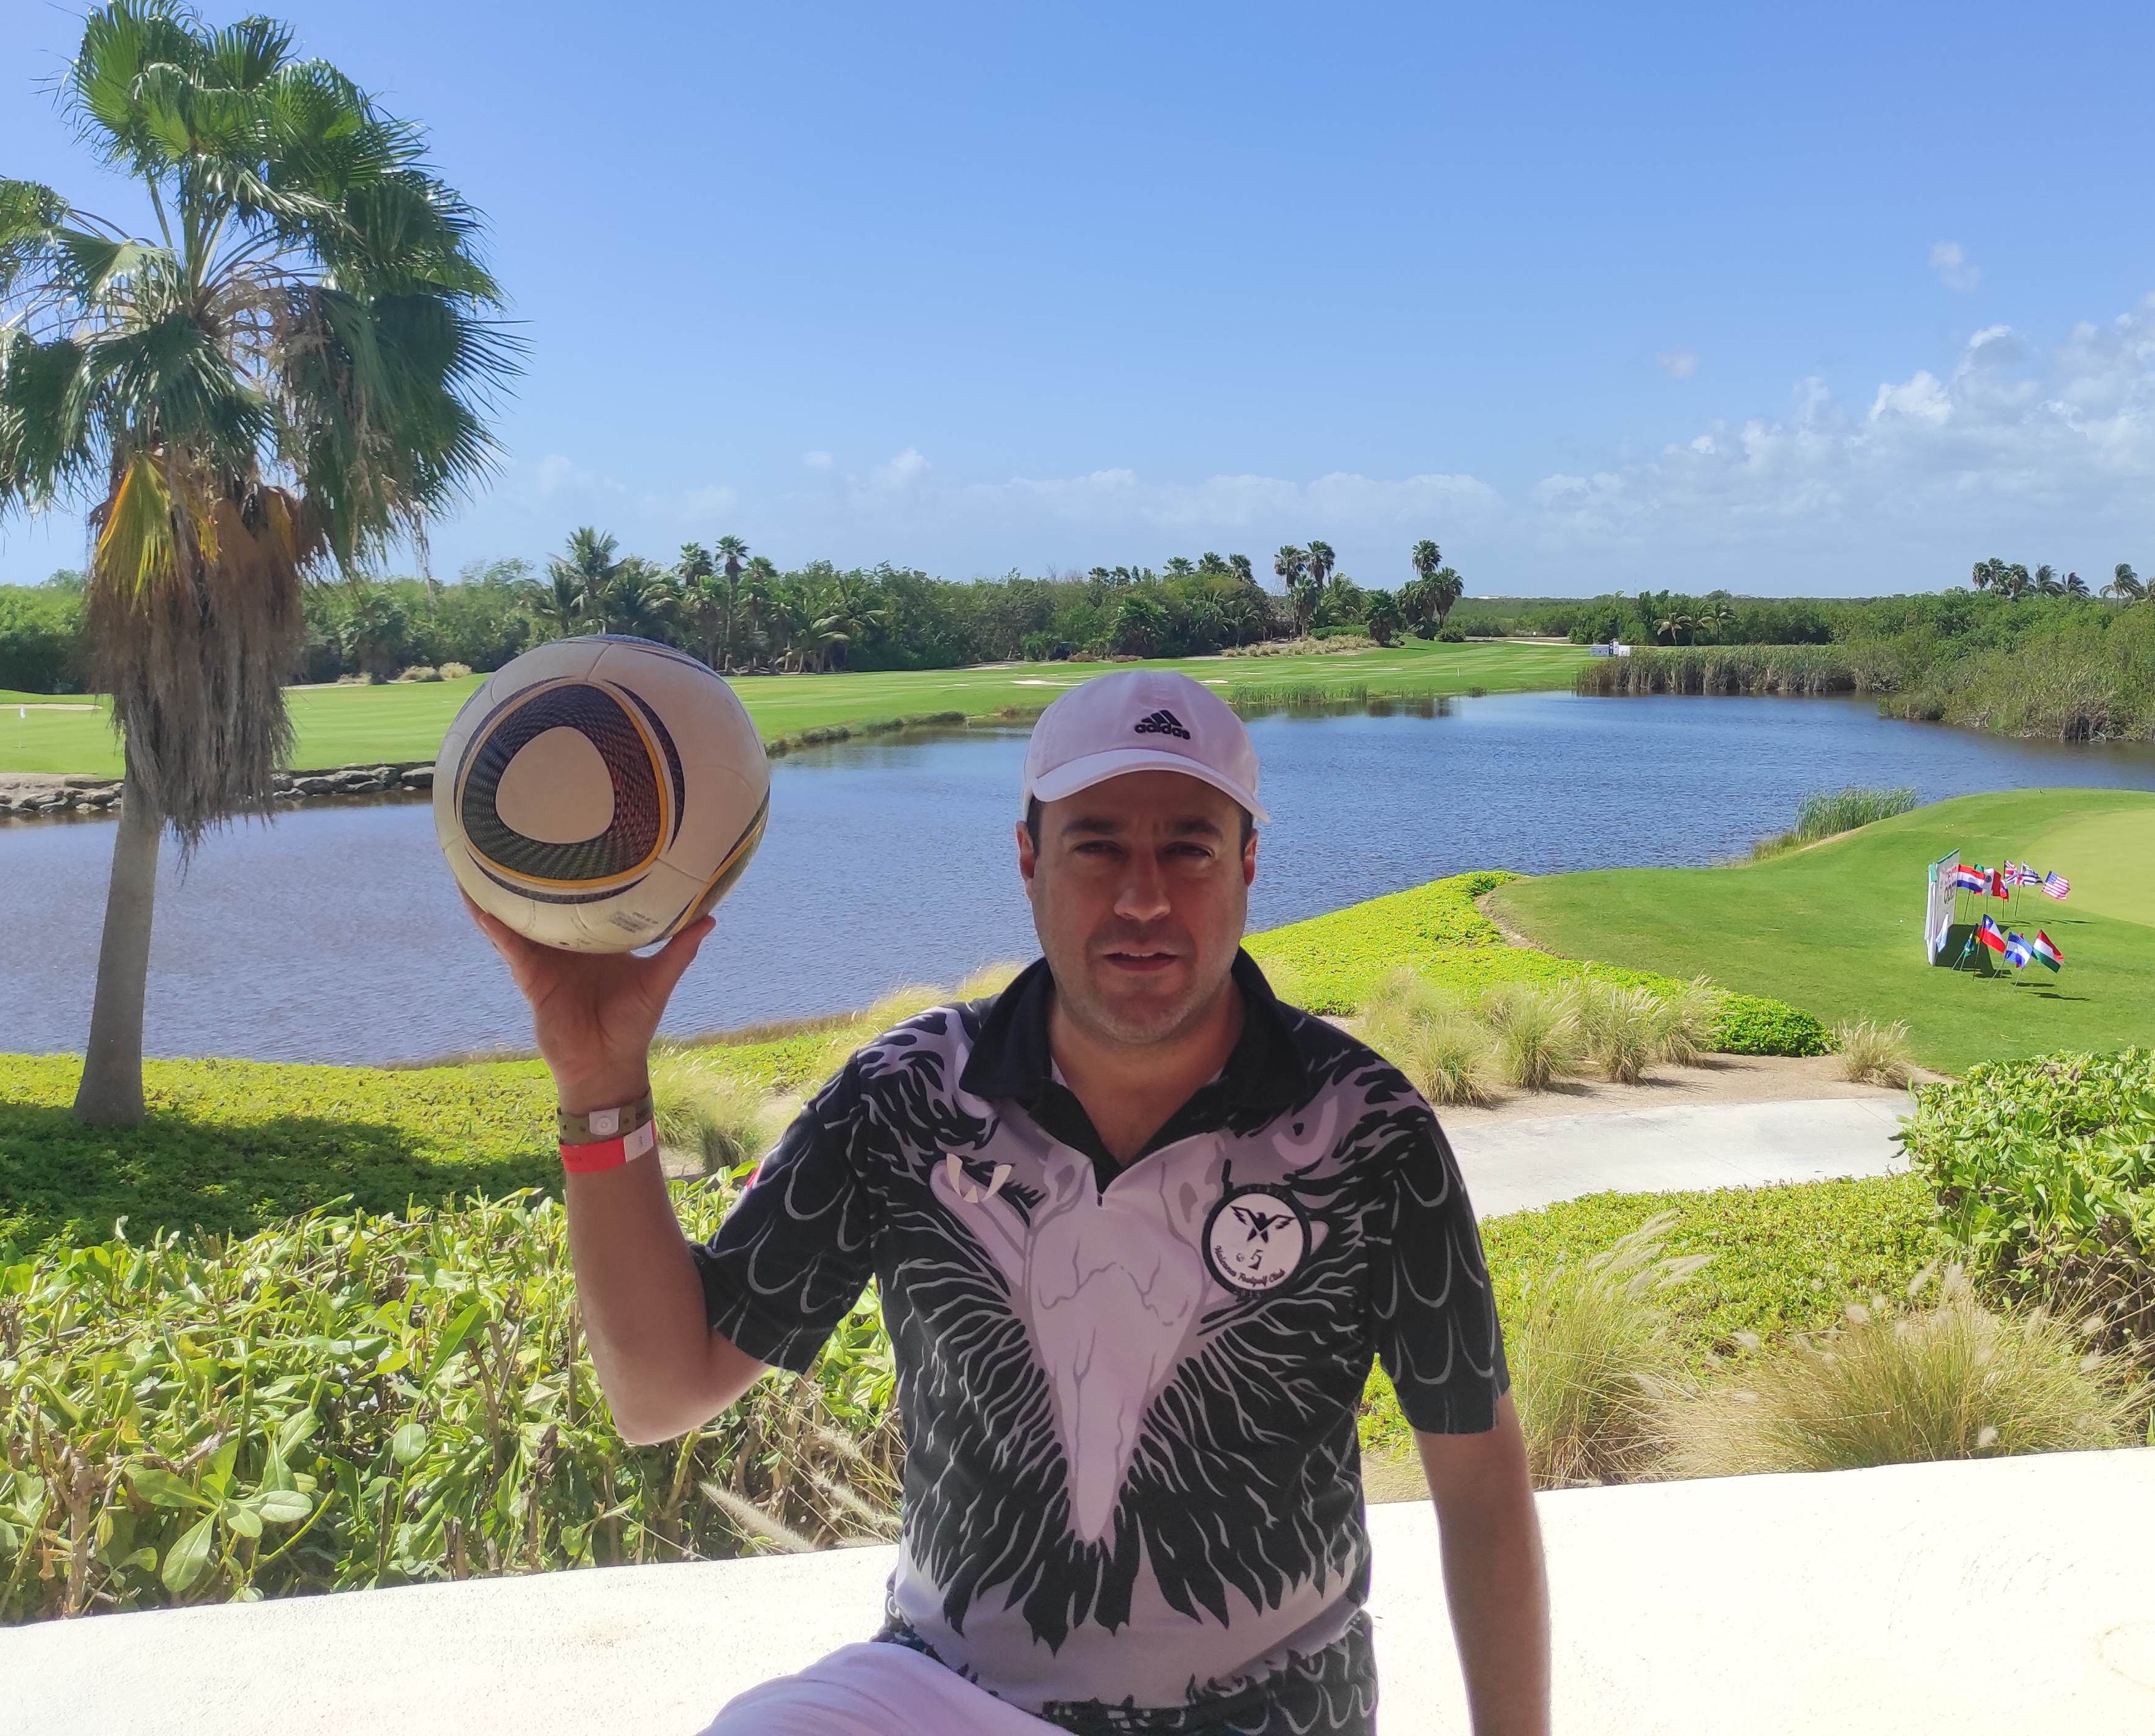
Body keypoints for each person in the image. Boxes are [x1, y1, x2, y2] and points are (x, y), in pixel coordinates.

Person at [472, 668, 1548, 1735]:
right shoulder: (905, 1097)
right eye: (1097, 847)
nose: (1143, 899)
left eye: (1189, 848)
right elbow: (661, 1393)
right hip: (948, 1691)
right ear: (1029, 860)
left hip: (1272, 1712)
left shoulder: (1365, 1128)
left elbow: (1480, 1481)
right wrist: (600, 1083)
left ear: (1248, 864)